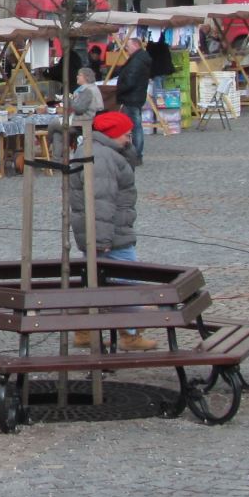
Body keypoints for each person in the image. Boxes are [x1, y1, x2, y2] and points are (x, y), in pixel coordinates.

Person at [66, 109, 155, 351]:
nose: (129, 139)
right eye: (126, 134)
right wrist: (102, 239)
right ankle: (130, 335)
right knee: (127, 283)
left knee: (95, 282)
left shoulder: (99, 151)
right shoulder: (102, 157)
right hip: (112, 234)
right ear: (112, 134)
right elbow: (100, 201)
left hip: (106, 231)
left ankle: (84, 330)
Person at [113, 39, 151, 166]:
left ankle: (136, 154)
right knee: (134, 126)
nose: (126, 48)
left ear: (135, 45)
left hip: (131, 97)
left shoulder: (137, 60)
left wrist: (119, 89)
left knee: (134, 127)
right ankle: (135, 153)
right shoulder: (139, 58)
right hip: (135, 96)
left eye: (128, 46)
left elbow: (130, 80)